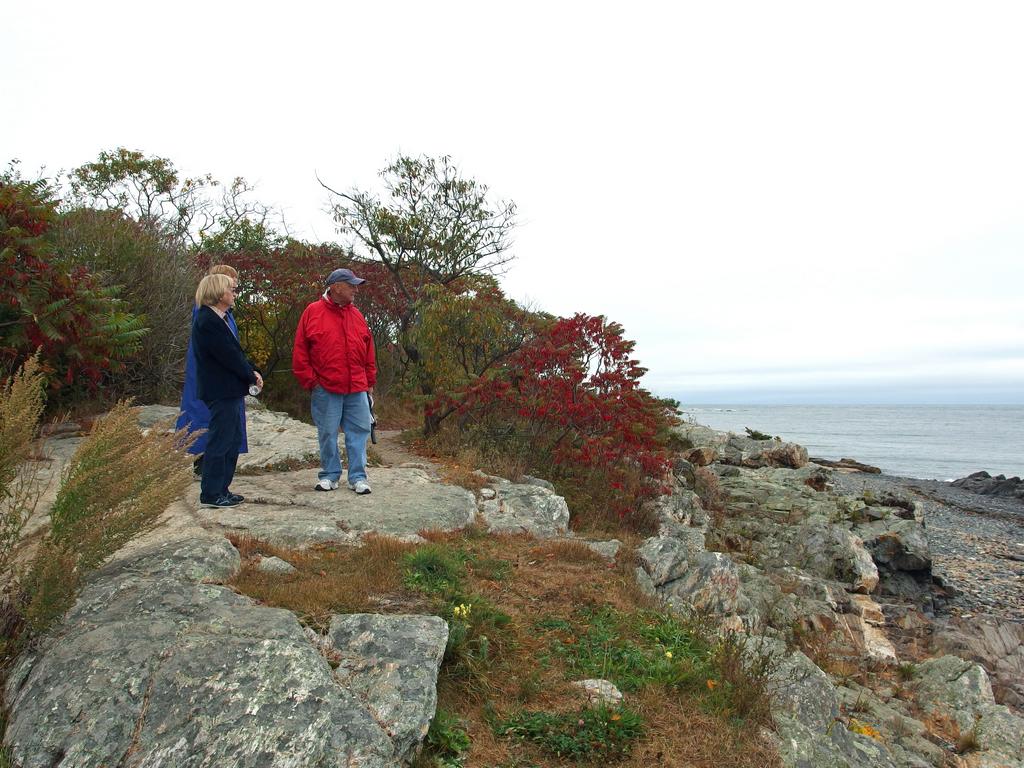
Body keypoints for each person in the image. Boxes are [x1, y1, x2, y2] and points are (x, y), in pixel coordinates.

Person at [292, 268, 376, 494]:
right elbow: (300, 351)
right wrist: (311, 382)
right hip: (325, 387)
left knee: (359, 431)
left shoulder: (357, 315)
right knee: (328, 432)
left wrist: (369, 381)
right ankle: (329, 475)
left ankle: (358, 477)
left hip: (356, 387)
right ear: (336, 286)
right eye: (351, 285)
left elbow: (368, 349)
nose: (355, 290)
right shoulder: (312, 312)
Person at [191, 273, 262, 508]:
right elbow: (228, 356)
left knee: (232, 440)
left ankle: (222, 489)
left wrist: (252, 370)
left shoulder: (219, 318)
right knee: (221, 441)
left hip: (229, 390)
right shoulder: (207, 320)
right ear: (218, 292)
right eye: (231, 289)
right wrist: (251, 375)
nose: (234, 293)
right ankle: (211, 493)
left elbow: (236, 353)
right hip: (220, 390)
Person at [177, 265, 248, 476]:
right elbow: (224, 350)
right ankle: (206, 467)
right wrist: (246, 372)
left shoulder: (225, 314)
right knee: (207, 418)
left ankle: (218, 471)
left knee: (224, 424)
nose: (235, 288)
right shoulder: (206, 314)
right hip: (211, 375)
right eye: (231, 283)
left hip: (223, 377)